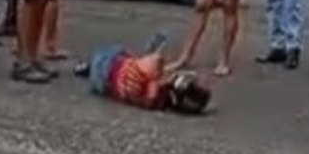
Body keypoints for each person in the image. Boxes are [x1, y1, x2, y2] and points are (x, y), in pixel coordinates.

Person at [73, 33, 212, 115]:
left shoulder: (153, 69)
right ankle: (87, 68)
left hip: (106, 63)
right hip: (102, 85)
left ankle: (87, 66)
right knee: (131, 64)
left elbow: (154, 59)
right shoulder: (154, 103)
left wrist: (165, 66)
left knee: (123, 53)